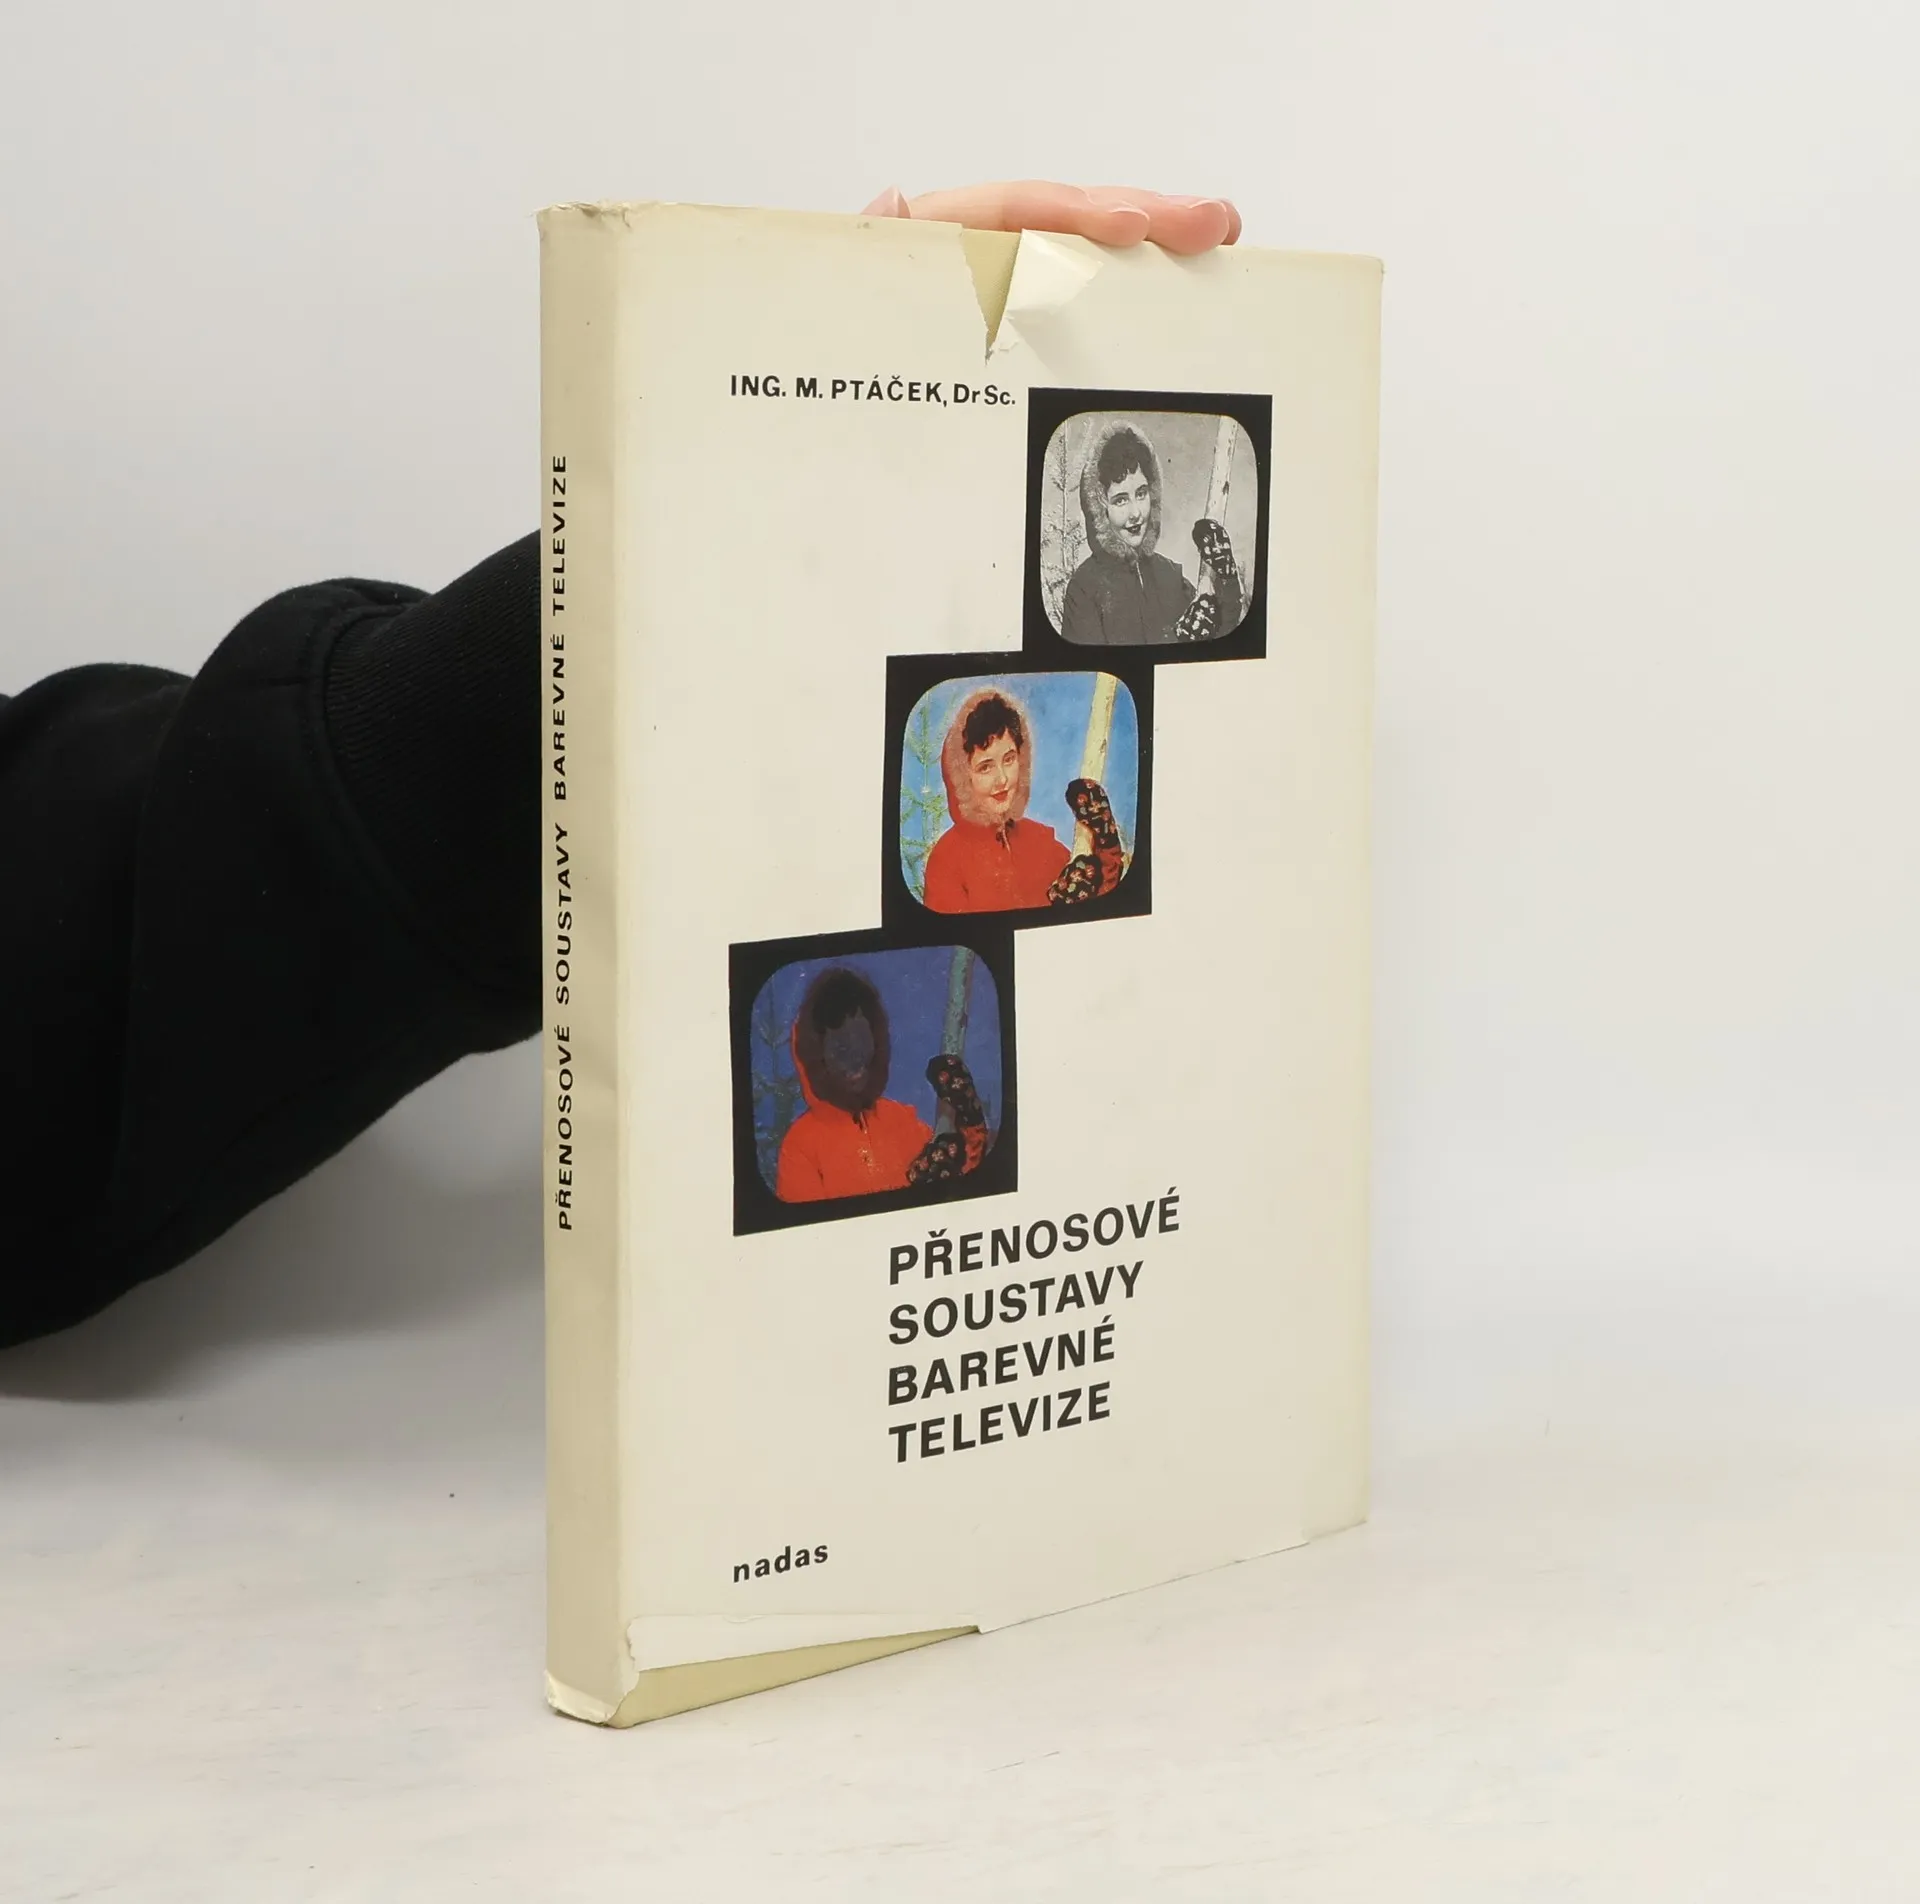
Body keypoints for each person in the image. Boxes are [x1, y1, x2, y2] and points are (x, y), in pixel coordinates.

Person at [0, 180, 1240, 1349]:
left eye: (1017, 765)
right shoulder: (877, 1012)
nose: (1007, 784)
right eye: (990, 765)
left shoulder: (988, 946)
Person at [774, 967, 988, 1202]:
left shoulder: (903, 1123)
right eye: (840, 1046)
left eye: (861, 1039)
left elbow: (969, 1189)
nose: (854, 1057)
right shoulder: (800, 1147)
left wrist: (968, 1123)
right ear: (817, 1054)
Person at [921, 685, 1124, 913]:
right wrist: (1052, 909)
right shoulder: (946, 860)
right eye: (985, 767)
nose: (1002, 779)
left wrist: (1105, 843)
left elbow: (1103, 906)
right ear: (962, 776)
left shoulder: (1040, 842)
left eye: (1009, 759)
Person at [1059, 418, 1245, 646]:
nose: (1136, 513)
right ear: (1099, 509)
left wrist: (1226, 577)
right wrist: (1176, 638)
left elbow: (1221, 639)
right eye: (1120, 500)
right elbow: (1096, 666)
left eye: (1141, 494)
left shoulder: (1169, 577)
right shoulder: (1084, 589)